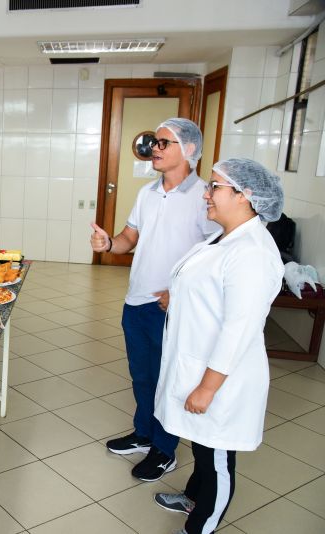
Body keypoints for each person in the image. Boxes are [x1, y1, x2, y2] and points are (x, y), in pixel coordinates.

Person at [152, 159, 284, 534]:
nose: (206, 194)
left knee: (218, 456)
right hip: (197, 362)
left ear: (246, 196)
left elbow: (239, 328)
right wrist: (176, 298)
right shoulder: (225, 236)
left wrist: (208, 387)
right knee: (202, 446)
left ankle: (201, 526)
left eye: (215, 187)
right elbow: (212, 289)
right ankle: (195, 498)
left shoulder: (253, 253)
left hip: (222, 378)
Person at [90, 118, 220, 482]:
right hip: (136, 299)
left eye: (164, 143)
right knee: (141, 375)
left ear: (189, 151)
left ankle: (165, 450)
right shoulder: (147, 192)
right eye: (155, 142)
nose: (155, 149)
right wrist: (109, 244)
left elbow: (213, 253)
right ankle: (144, 432)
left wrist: (179, 291)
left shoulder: (204, 196)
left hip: (173, 307)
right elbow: (130, 236)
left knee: (169, 379)